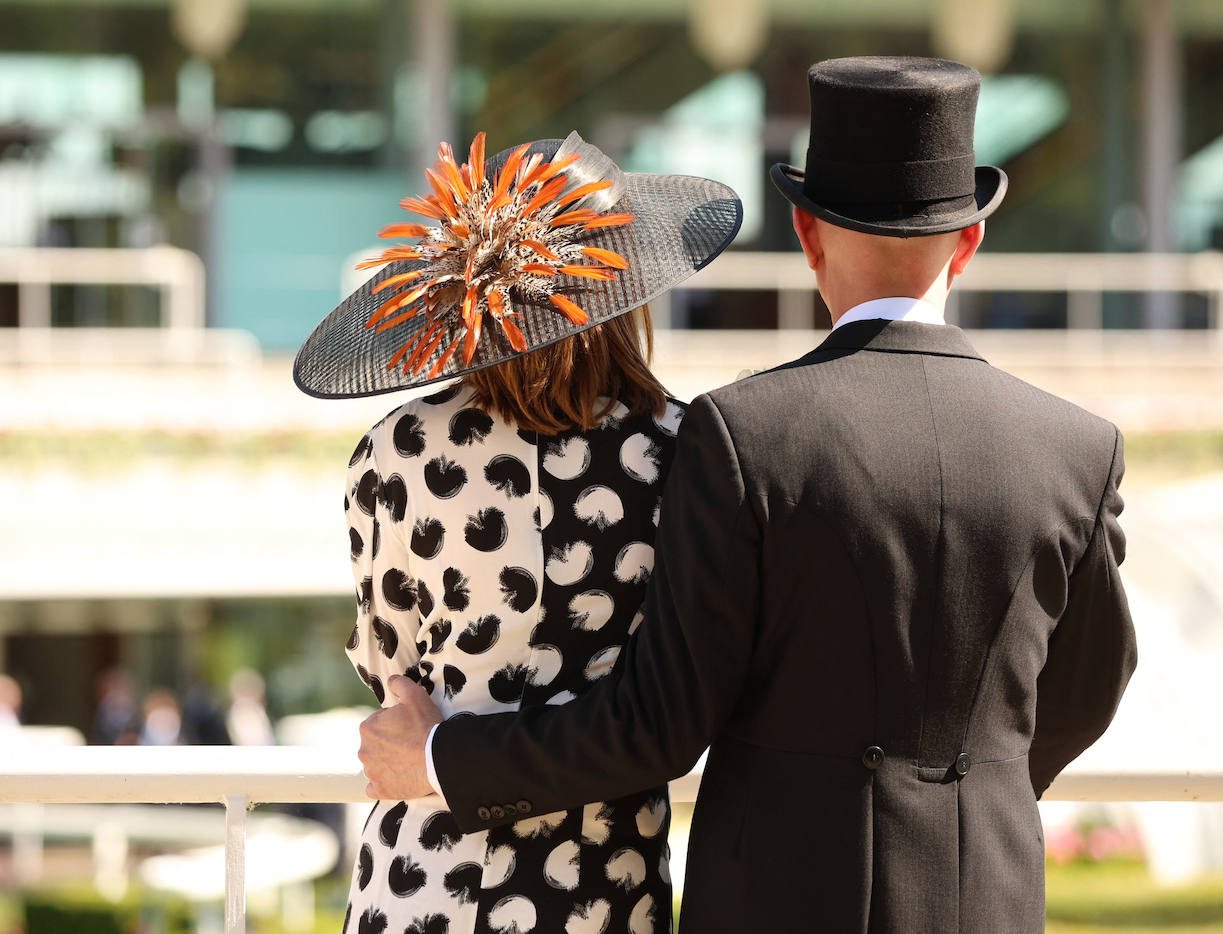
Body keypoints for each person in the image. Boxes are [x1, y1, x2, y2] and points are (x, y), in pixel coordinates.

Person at [360, 57, 1137, 933]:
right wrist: (972, 784)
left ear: (807, 233)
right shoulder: (1079, 450)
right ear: (969, 241)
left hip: (775, 898)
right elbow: (1091, 686)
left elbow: (660, 720)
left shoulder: (742, 433)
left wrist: (437, 755)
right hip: (984, 896)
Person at [294, 130, 740, 934]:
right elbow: (680, 693)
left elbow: (389, 669)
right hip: (599, 887)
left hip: (420, 876)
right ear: (620, 291)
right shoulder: (683, 454)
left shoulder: (395, 450)